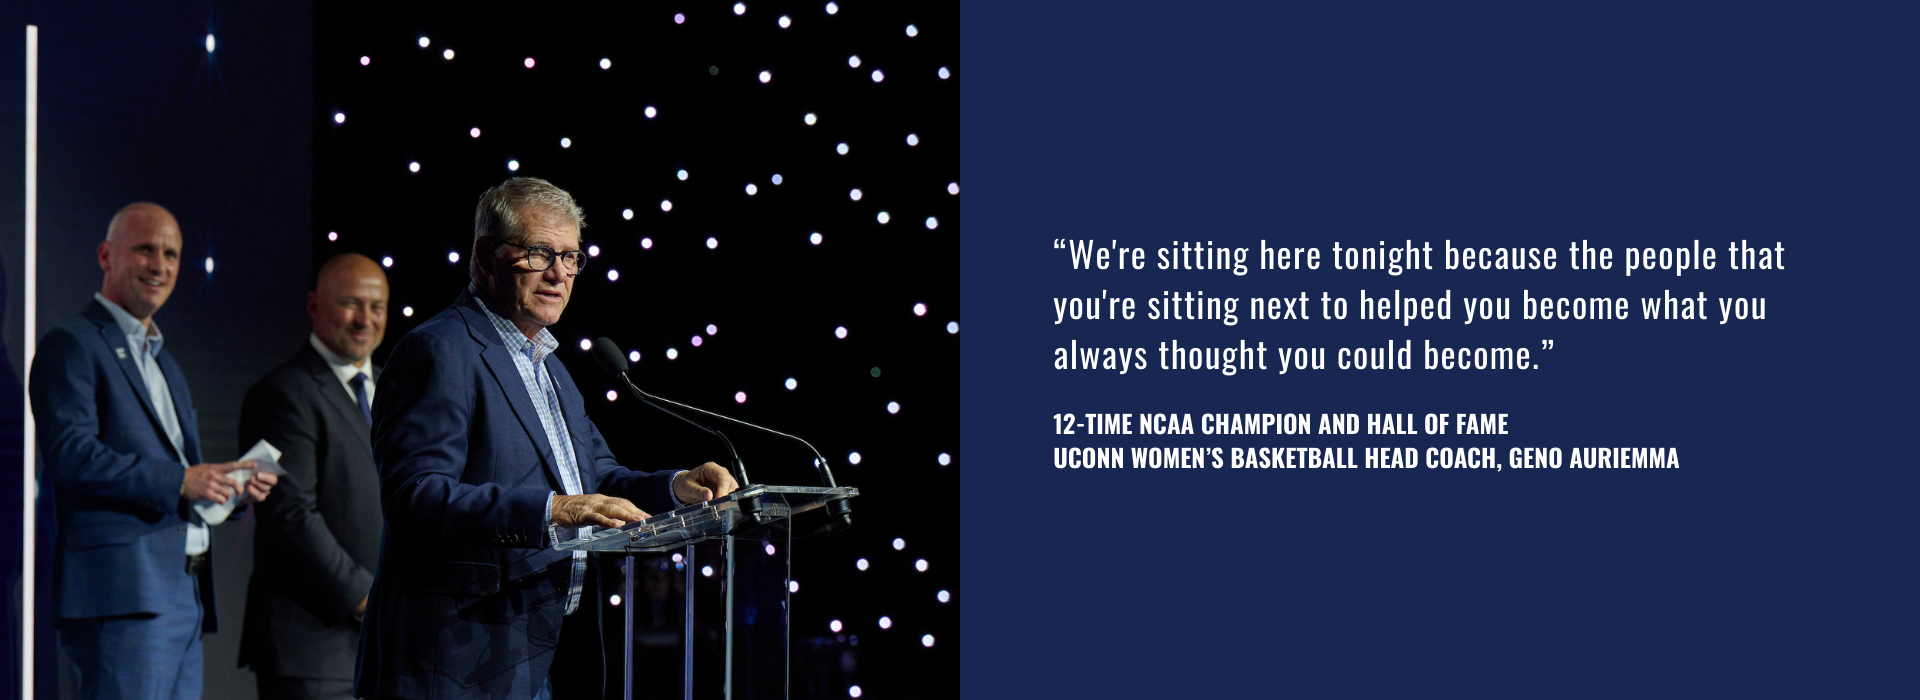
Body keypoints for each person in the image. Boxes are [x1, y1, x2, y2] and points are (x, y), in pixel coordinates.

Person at [355, 177, 739, 700]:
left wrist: (676, 488)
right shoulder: (438, 351)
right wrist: (553, 510)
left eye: (571, 257)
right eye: (539, 253)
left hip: (540, 658)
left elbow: (599, 480)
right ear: (485, 256)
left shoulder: (550, 367)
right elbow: (415, 497)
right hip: (452, 665)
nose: (559, 273)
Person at [29, 202, 276, 700]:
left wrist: (227, 489)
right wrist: (183, 481)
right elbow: (70, 453)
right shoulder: (71, 345)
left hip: (183, 593)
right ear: (106, 255)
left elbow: (181, 476)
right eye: (145, 250)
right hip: (122, 596)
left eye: (171, 254)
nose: (159, 265)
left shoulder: (167, 365)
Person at [237, 253, 391, 700]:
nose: (365, 319)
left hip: (392, 647)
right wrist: (368, 598)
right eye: (351, 303)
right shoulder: (281, 393)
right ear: (313, 305)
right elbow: (288, 515)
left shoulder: (397, 391)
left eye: (377, 306)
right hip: (313, 649)